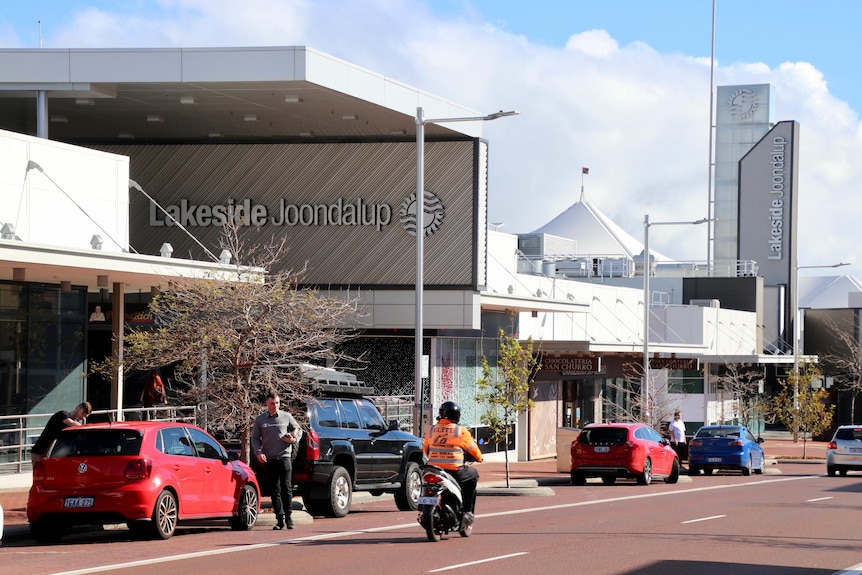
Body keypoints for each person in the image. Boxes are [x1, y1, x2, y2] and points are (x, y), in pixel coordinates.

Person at [423, 401, 484, 528]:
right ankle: (467, 511)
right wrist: (480, 458)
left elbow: (425, 450)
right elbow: (473, 450)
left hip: (433, 470)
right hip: (454, 471)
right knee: (473, 475)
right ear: (457, 416)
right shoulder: (460, 431)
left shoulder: (431, 429)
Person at [252, 390, 302, 530]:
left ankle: (289, 518)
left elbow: (299, 429)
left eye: (277, 403)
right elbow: (255, 438)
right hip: (270, 459)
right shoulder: (260, 419)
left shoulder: (286, 416)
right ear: (267, 403)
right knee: (275, 490)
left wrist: (293, 439)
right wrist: (258, 452)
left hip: (285, 457)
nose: (275, 405)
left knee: (287, 488)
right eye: (272, 403)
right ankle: (279, 520)